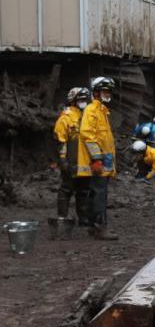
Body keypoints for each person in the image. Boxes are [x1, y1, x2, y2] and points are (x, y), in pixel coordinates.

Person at [77, 77, 118, 240]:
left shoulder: (102, 110)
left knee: (98, 192)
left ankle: (95, 226)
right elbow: (87, 134)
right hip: (98, 158)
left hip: (104, 158)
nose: (108, 94)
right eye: (104, 91)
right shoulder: (91, 110)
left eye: (109, 91)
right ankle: (99, 227)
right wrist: (96, 158)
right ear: (96, 93)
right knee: (99, 193)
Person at [53, 87, 91, 225]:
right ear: (73, 100)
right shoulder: (66, 117)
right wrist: (63, 159)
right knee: (67, 188)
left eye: (85, 99)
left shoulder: (87, 115)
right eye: (81, 99)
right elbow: (60, 139)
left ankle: (83, 218)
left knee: (84, 190)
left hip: (86, 159)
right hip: (71, 158)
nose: (84, 102)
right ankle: (62, 218)